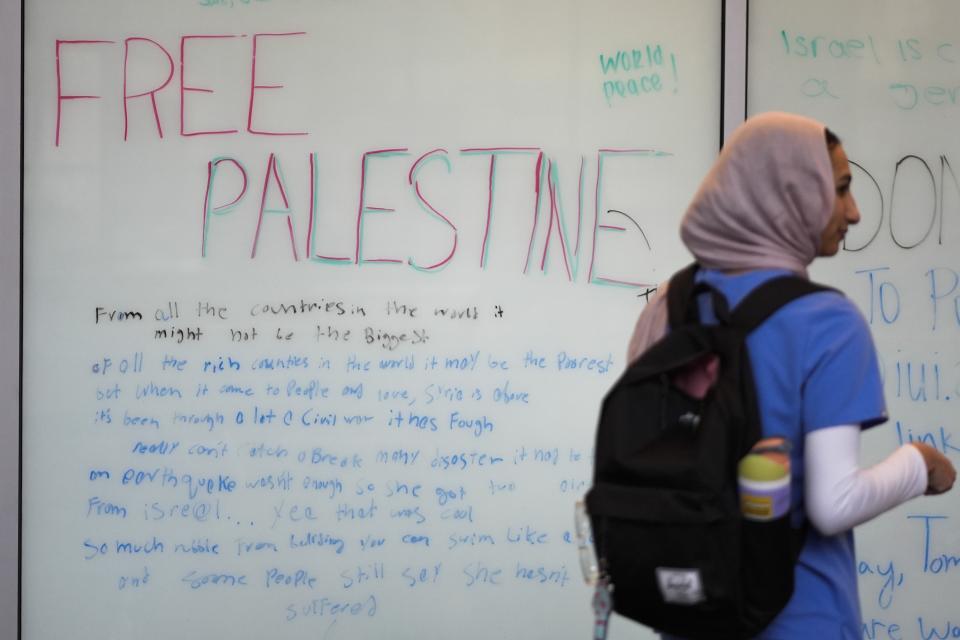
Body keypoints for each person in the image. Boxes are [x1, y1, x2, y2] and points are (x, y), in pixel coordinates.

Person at [625, 112, 956, 639]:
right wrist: (921, 464)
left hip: (689, 615)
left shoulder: (669, 306)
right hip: (801, 621)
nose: (854, 211)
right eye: (841, 189)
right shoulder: (827, 322)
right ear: (790, 192)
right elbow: (834, 504)